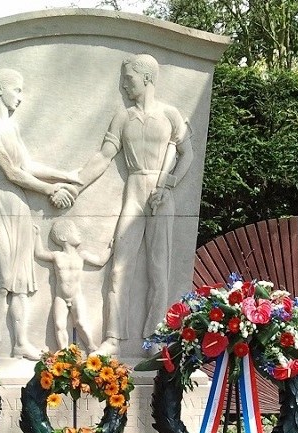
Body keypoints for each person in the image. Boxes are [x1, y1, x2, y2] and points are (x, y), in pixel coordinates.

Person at [74, 53, 194, 357]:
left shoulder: (170, 114)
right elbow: (104, 156)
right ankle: (113, 338)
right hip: (134, 190)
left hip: (161, 195)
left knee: (158, 268)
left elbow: (186, 154)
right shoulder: (123, 117)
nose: (124, 85)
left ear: (147, 78)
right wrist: (76, 184)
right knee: (118, 268)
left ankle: (156, 336)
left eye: (128, 79)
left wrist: (169, 185)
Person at [0, 68, 80, 360]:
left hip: (19, 206)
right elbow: (11, 172)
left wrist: (64, 176)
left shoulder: (12, 129)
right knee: (3, 277)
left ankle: (20, 342)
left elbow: (28, 166)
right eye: (16, 90)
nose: (20, 97)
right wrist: (49, 191)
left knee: (20, 279)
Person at [33, 219, 112, 352]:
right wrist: (37, 235)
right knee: (59, 324)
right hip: (60, 297)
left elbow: (100, 261)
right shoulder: (57, 256)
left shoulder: (82, 255)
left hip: (76, 296)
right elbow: (39, 253)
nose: (79, 234)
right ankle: (63, 353)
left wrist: (111, 248)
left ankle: (92, 346)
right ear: (64, 237)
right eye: (75, 231)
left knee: (80, 322)